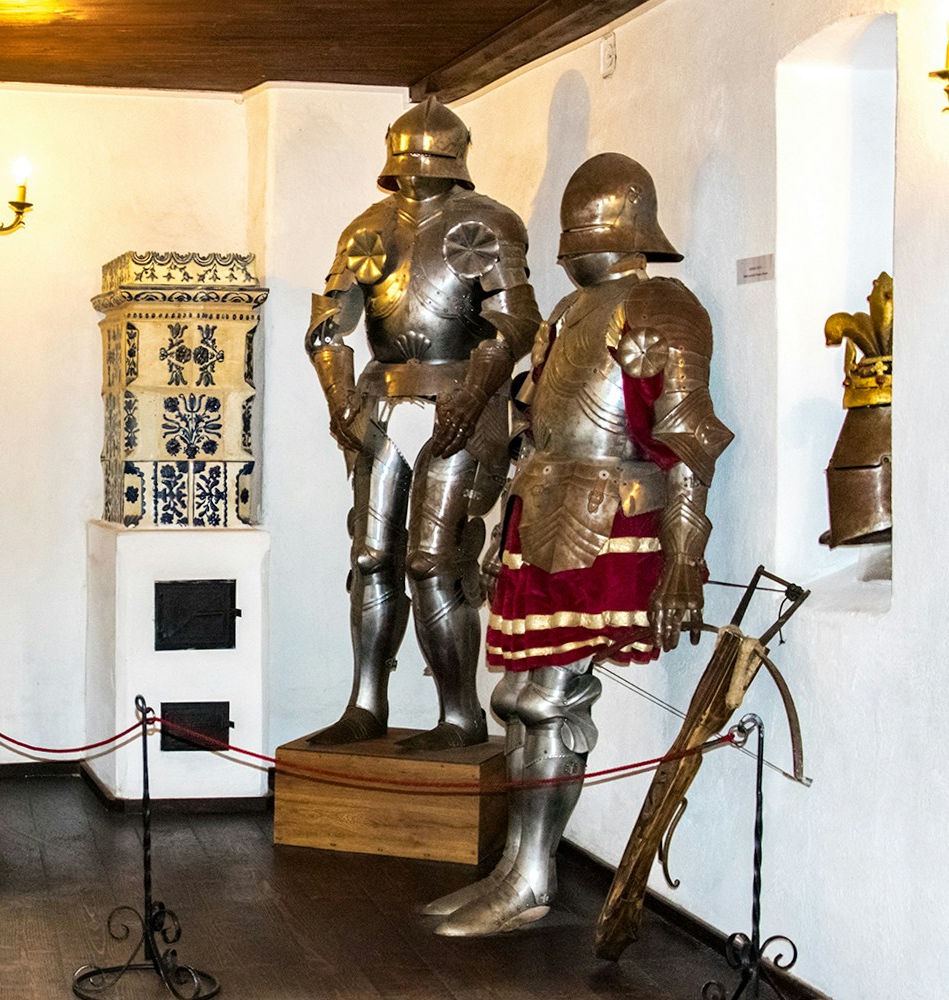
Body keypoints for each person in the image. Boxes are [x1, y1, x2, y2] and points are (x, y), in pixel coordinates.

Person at [427, 152, 734, 936]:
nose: (570, 247)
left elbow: (687, 441)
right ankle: (516, 868)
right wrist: (502, 531)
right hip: (546, 508)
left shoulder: (662, 305)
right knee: (518, 700)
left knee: (549, 700)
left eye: (580, 229)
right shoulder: (569, 314)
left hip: (613, 519)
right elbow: (537, 430)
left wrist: (684, 562)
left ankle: (531, 878)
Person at [305, 97, 541, 750]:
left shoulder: (487, 224)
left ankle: (459, 716)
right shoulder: (366, 229)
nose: (419, 172)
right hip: (381, 403)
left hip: (459, 402)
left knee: (434, 560)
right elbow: (329, 326)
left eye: (431, 161)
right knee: (369, 554)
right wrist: (338, 400)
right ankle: (365, 704)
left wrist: (478, 389)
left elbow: (515, 320)